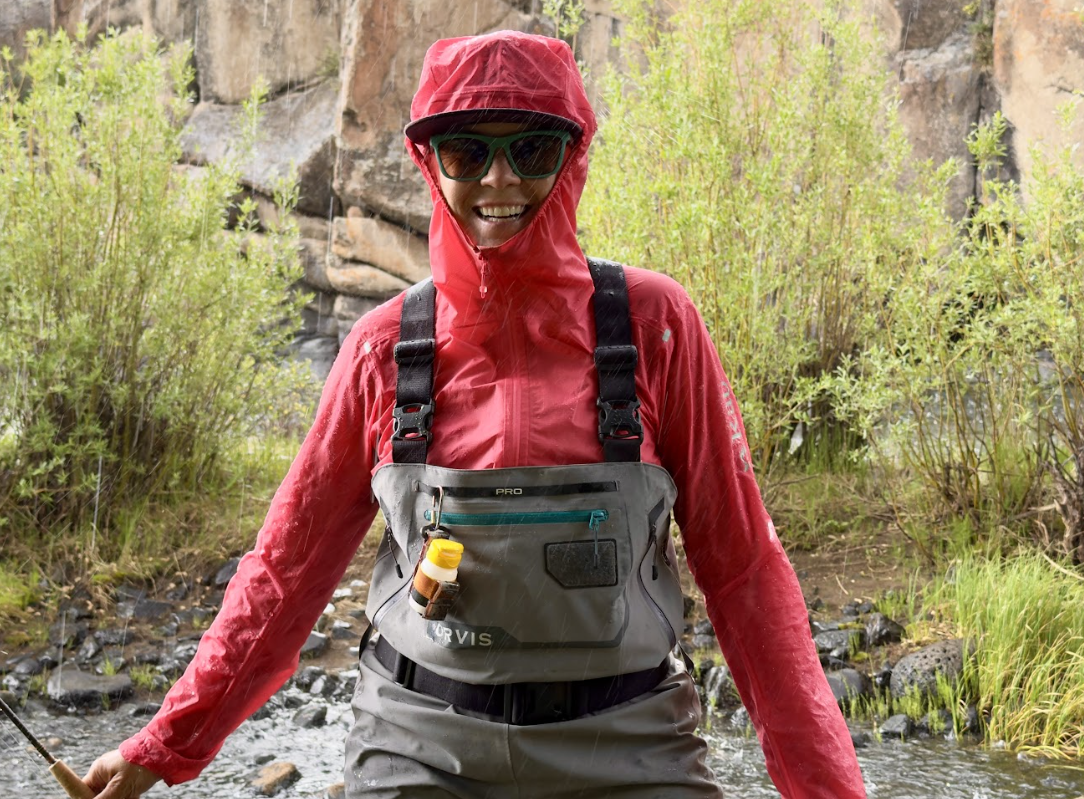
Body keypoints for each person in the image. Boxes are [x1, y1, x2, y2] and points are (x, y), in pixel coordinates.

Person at [83, 31, 865, 799]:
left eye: (532, 150)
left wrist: (830, 788)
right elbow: (284, 577)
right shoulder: (380, 349)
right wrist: (163, 746)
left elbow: (746, 576)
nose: (500, 179)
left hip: (633, 744)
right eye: (466, 152)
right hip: (417, 745)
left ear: (573, 157)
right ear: (430, 161)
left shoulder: (658, 325)